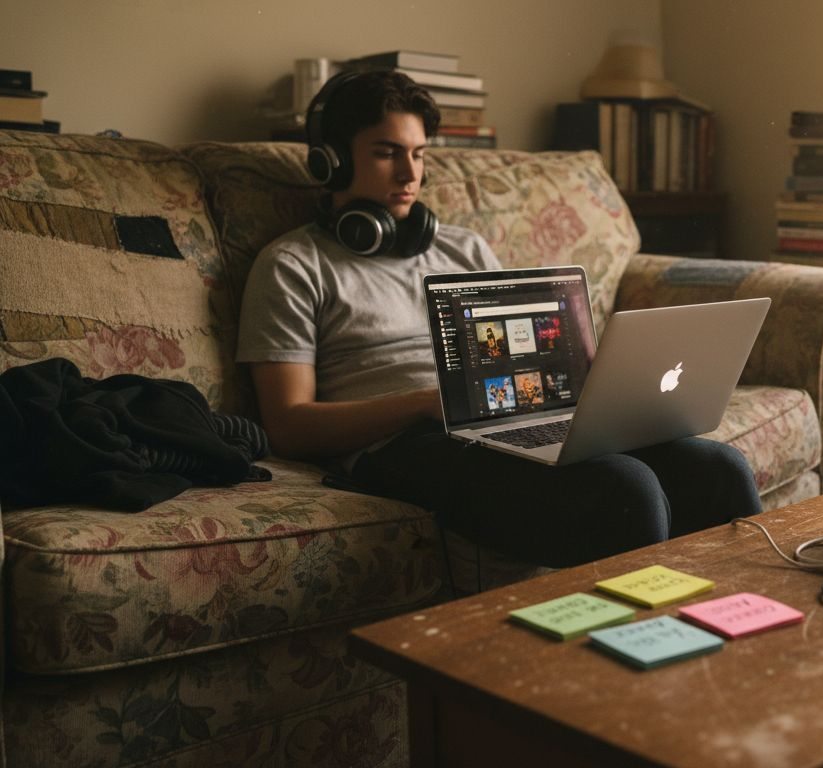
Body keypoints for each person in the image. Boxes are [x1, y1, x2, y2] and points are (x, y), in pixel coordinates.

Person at [236, 70, 760, 568]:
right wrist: (424, 405)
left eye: (418, 155)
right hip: (397, 447)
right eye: (386, 153)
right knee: (625, 489)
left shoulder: (464, 249)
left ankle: (750, 639)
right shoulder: (293, 264)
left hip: (503, 421)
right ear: (333, 163)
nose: (409, 174)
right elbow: (288, 423)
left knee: (717, 469)